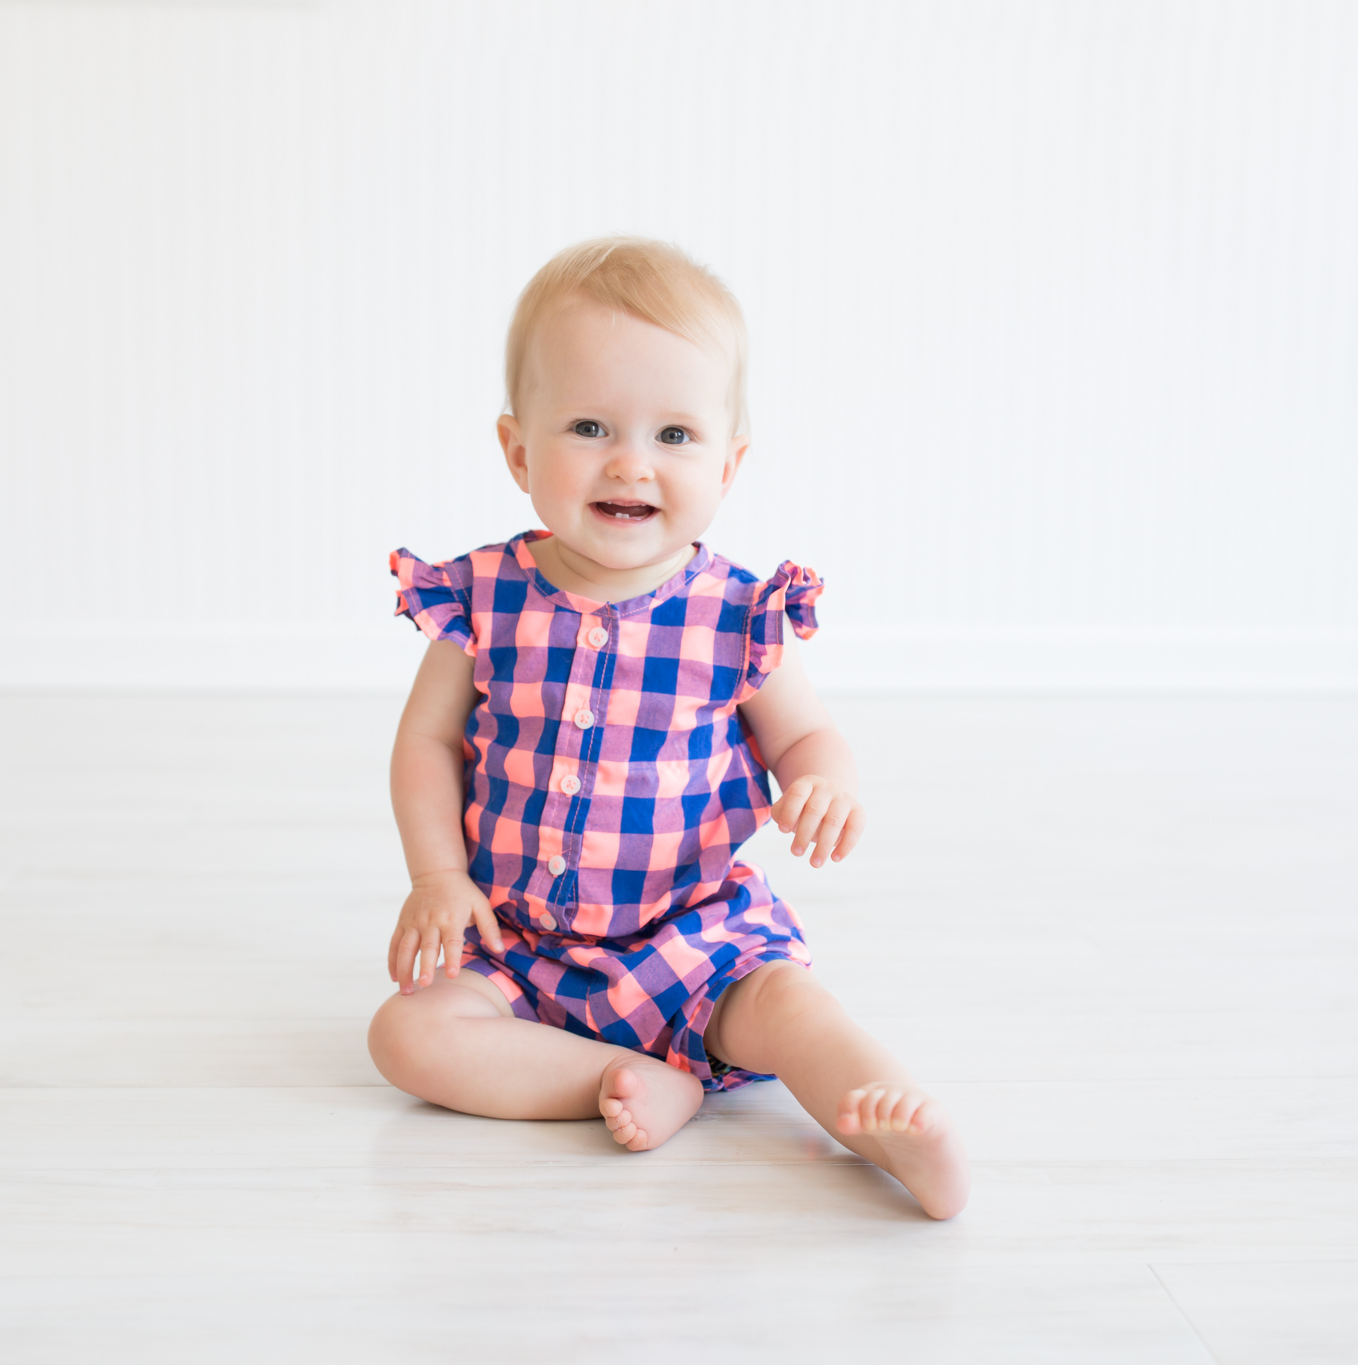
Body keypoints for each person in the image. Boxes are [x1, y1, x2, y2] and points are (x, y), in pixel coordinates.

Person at [367, 237, 969, 1219]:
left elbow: (805, 737)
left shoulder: (735, 615)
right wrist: (437, 878)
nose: (630, 463)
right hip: (518, 946)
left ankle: (885, 1119)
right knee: (404, 1038)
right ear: (518, 451)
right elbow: (426, 743)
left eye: (674, 436)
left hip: (693, 941)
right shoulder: (483, 599)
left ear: (729, 464)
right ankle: (610, 1076)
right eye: (590, 425)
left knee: (785, 1009)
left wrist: (824, 783)